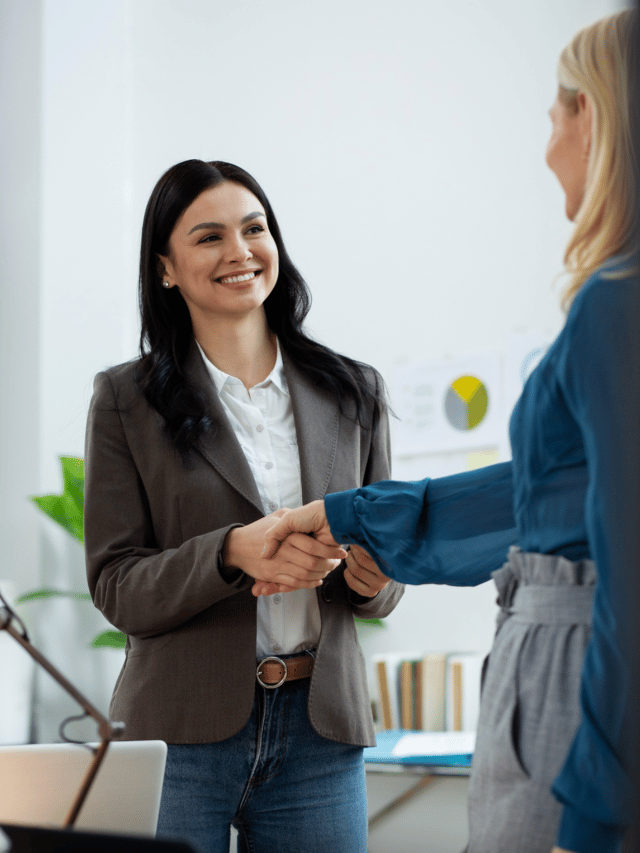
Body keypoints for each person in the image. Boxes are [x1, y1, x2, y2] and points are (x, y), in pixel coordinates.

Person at [261, 10, 640, 853]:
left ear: (599, 119)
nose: (547, 147)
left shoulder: (615, 305)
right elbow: (545, 499)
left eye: (556, 113)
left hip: (573, 698)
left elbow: (617, 557)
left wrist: (596, 809)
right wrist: (353, 514)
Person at [83, 159, 404, 853]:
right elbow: (116, 584)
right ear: (166, 267)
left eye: (254, 228)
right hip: (178, 736)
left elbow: (389, 570)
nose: (240, 251)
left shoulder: (356, 392)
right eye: (209, 236)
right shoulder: (124, 401)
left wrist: (377, 579)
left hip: (321, 734)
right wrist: (230, 552)